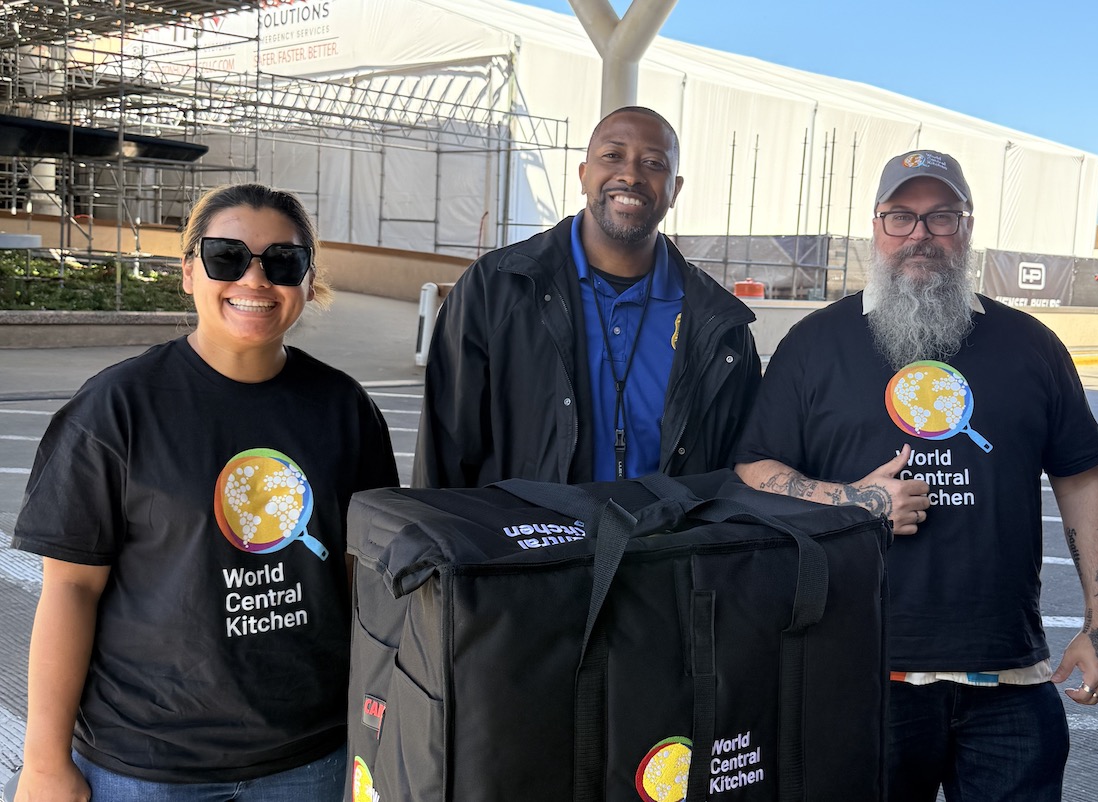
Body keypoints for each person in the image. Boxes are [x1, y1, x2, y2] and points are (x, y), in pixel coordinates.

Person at [734, 150, 1098, 801]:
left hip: (1008, 681)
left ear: (967, 227)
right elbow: (753, 467)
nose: (920, 234)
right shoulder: (816, 344)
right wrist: (853, 500)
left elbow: (1083, 481)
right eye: (901, 216)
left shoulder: (1030, 346)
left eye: (941, 216)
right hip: (860, 678)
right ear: (876, 227)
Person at [12, 183, 399, 801]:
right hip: (144, 765)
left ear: (305, 279)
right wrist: (43, 763)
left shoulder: (345, 409)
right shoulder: (115, 409)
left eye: (282, 261)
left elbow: (365, 584)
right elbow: (69, 590)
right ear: (189, 272)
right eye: (226, 257)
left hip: (311, 757)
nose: (254, 279)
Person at [413, 106, 760, 488]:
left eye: (653, 163)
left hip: (665, 545)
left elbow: (736, 472)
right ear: (583, 175)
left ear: (674, 190)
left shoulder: (719, 324)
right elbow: (445, 449)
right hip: (529, 544)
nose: (630, 175)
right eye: (612, 156)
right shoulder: (496, 289)